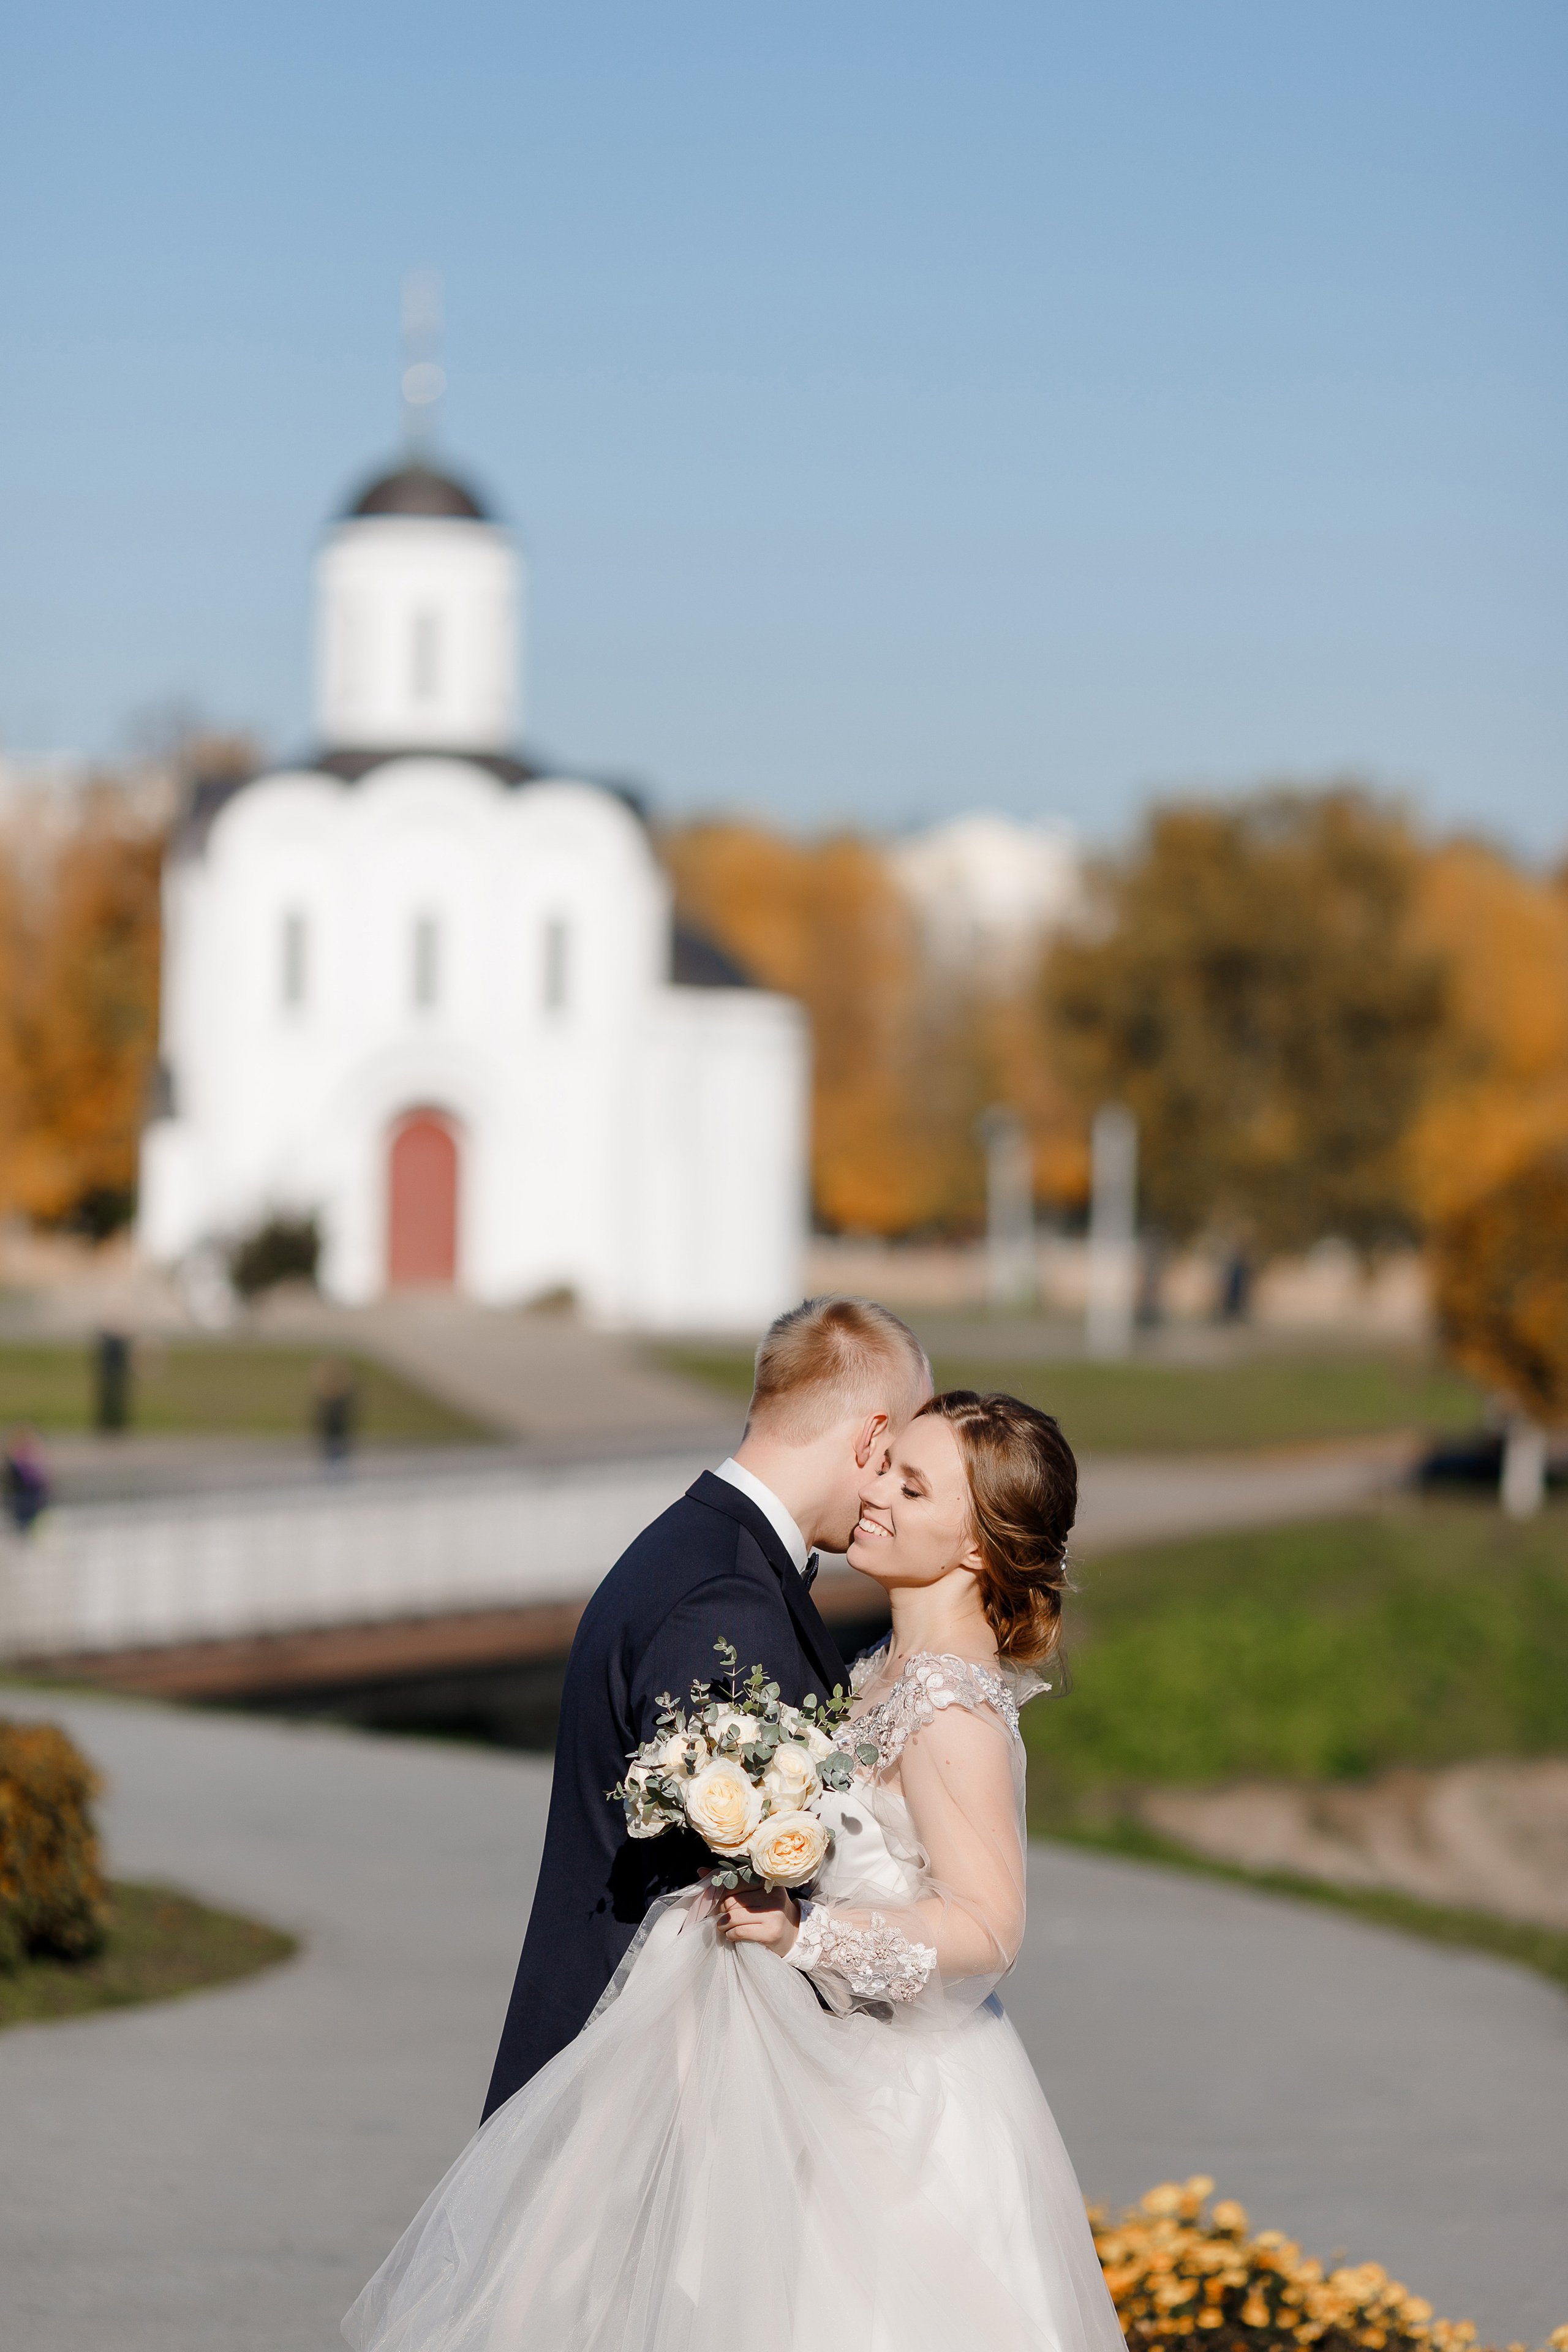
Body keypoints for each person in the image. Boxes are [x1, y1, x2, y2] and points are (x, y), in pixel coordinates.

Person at [345, 1382, 1126, 2352]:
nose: (876, 1491)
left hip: (903, 2105)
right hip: (826, 2064)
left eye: (913, 1487)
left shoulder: (951, 1710)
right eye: (886, 1467)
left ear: (976, 1547)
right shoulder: (880, 1668)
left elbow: (988, 1927)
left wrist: (808, 1935)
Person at [480, 1293, 934, 2116]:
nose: (890, 1497)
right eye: (898, 1464)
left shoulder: (699, 1548)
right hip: (646, 2090)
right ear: (871, 1438)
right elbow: (708, 1901)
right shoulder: (726, 1601)